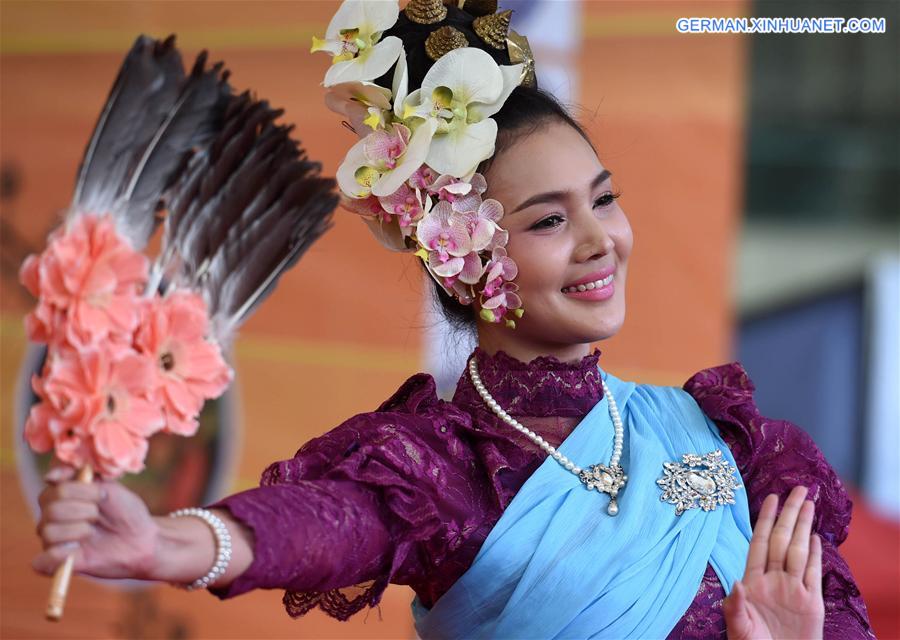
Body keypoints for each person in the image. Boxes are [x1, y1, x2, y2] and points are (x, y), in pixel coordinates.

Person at [32, 1, 874, 638]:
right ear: (464, 257)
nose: (599, 241)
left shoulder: (727, 443)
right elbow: (327, 524)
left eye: (604, 200)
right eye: (548, 221)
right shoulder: (441, 468)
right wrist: (171, 546)